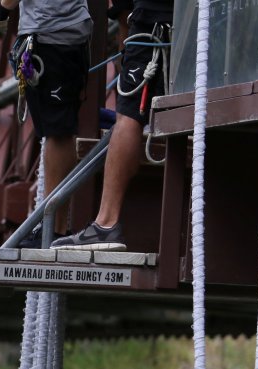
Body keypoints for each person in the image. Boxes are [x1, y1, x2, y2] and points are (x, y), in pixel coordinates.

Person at [51, 0, 173, 250]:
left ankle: (106, 222)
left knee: (128, 118)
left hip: (154, 23)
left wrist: (124, 29)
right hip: (206, 28)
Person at [0, 0, 92, 247]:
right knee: (59, 129)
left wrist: (2, 12)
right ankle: (54, 227)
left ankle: (52, 230)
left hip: (52, 33)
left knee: (58, 132)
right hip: (65, 31)